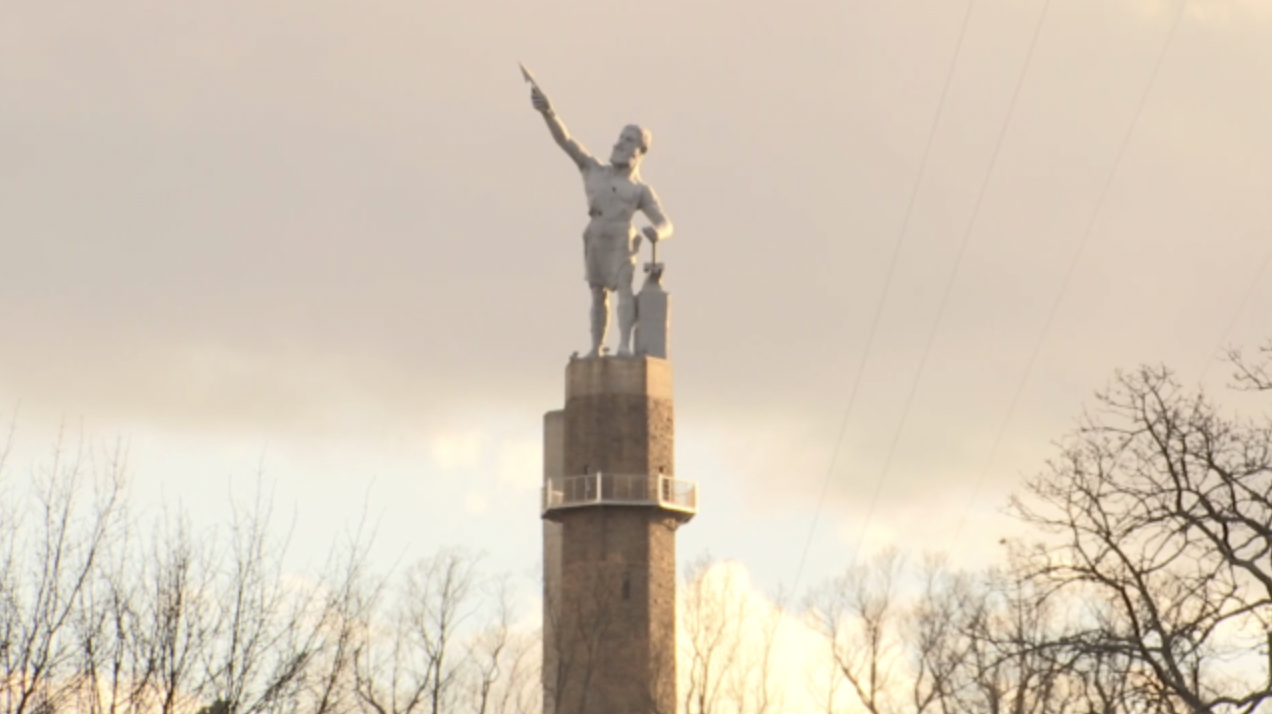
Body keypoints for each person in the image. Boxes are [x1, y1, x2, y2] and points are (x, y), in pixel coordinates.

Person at [530, 84, 673, 358]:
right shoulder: (593, 170)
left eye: (628, 140)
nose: (619, 143)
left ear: (640, 150)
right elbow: (566, 141)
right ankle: (595, 347)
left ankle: (623, 345)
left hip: (621, 239)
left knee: (624, 292)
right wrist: (548, 112)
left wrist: (658, 233)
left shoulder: (640, 190)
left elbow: (666, 222)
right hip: (596, 236)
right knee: (597, 294)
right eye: (620, 137)